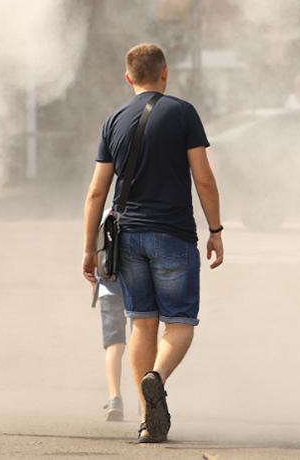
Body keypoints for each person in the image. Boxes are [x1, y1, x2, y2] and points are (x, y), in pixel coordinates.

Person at [81, 43, 224, 444]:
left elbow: (96, 192)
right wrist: (216, 230)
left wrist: (89, 248)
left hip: (126, 237)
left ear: (128, 77)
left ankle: (148, 421)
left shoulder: (112, 121)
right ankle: (156, 379)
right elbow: (204, 177)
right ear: (165, 72)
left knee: (141, 322)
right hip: (173, 235)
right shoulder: (182, 113)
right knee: (179, 323)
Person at [95, 276, 128, 421]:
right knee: (142, 337)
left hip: (108, 285)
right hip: (140, 287)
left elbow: (95, 254)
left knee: (114, 343)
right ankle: (144, 400)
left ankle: (115, 398)